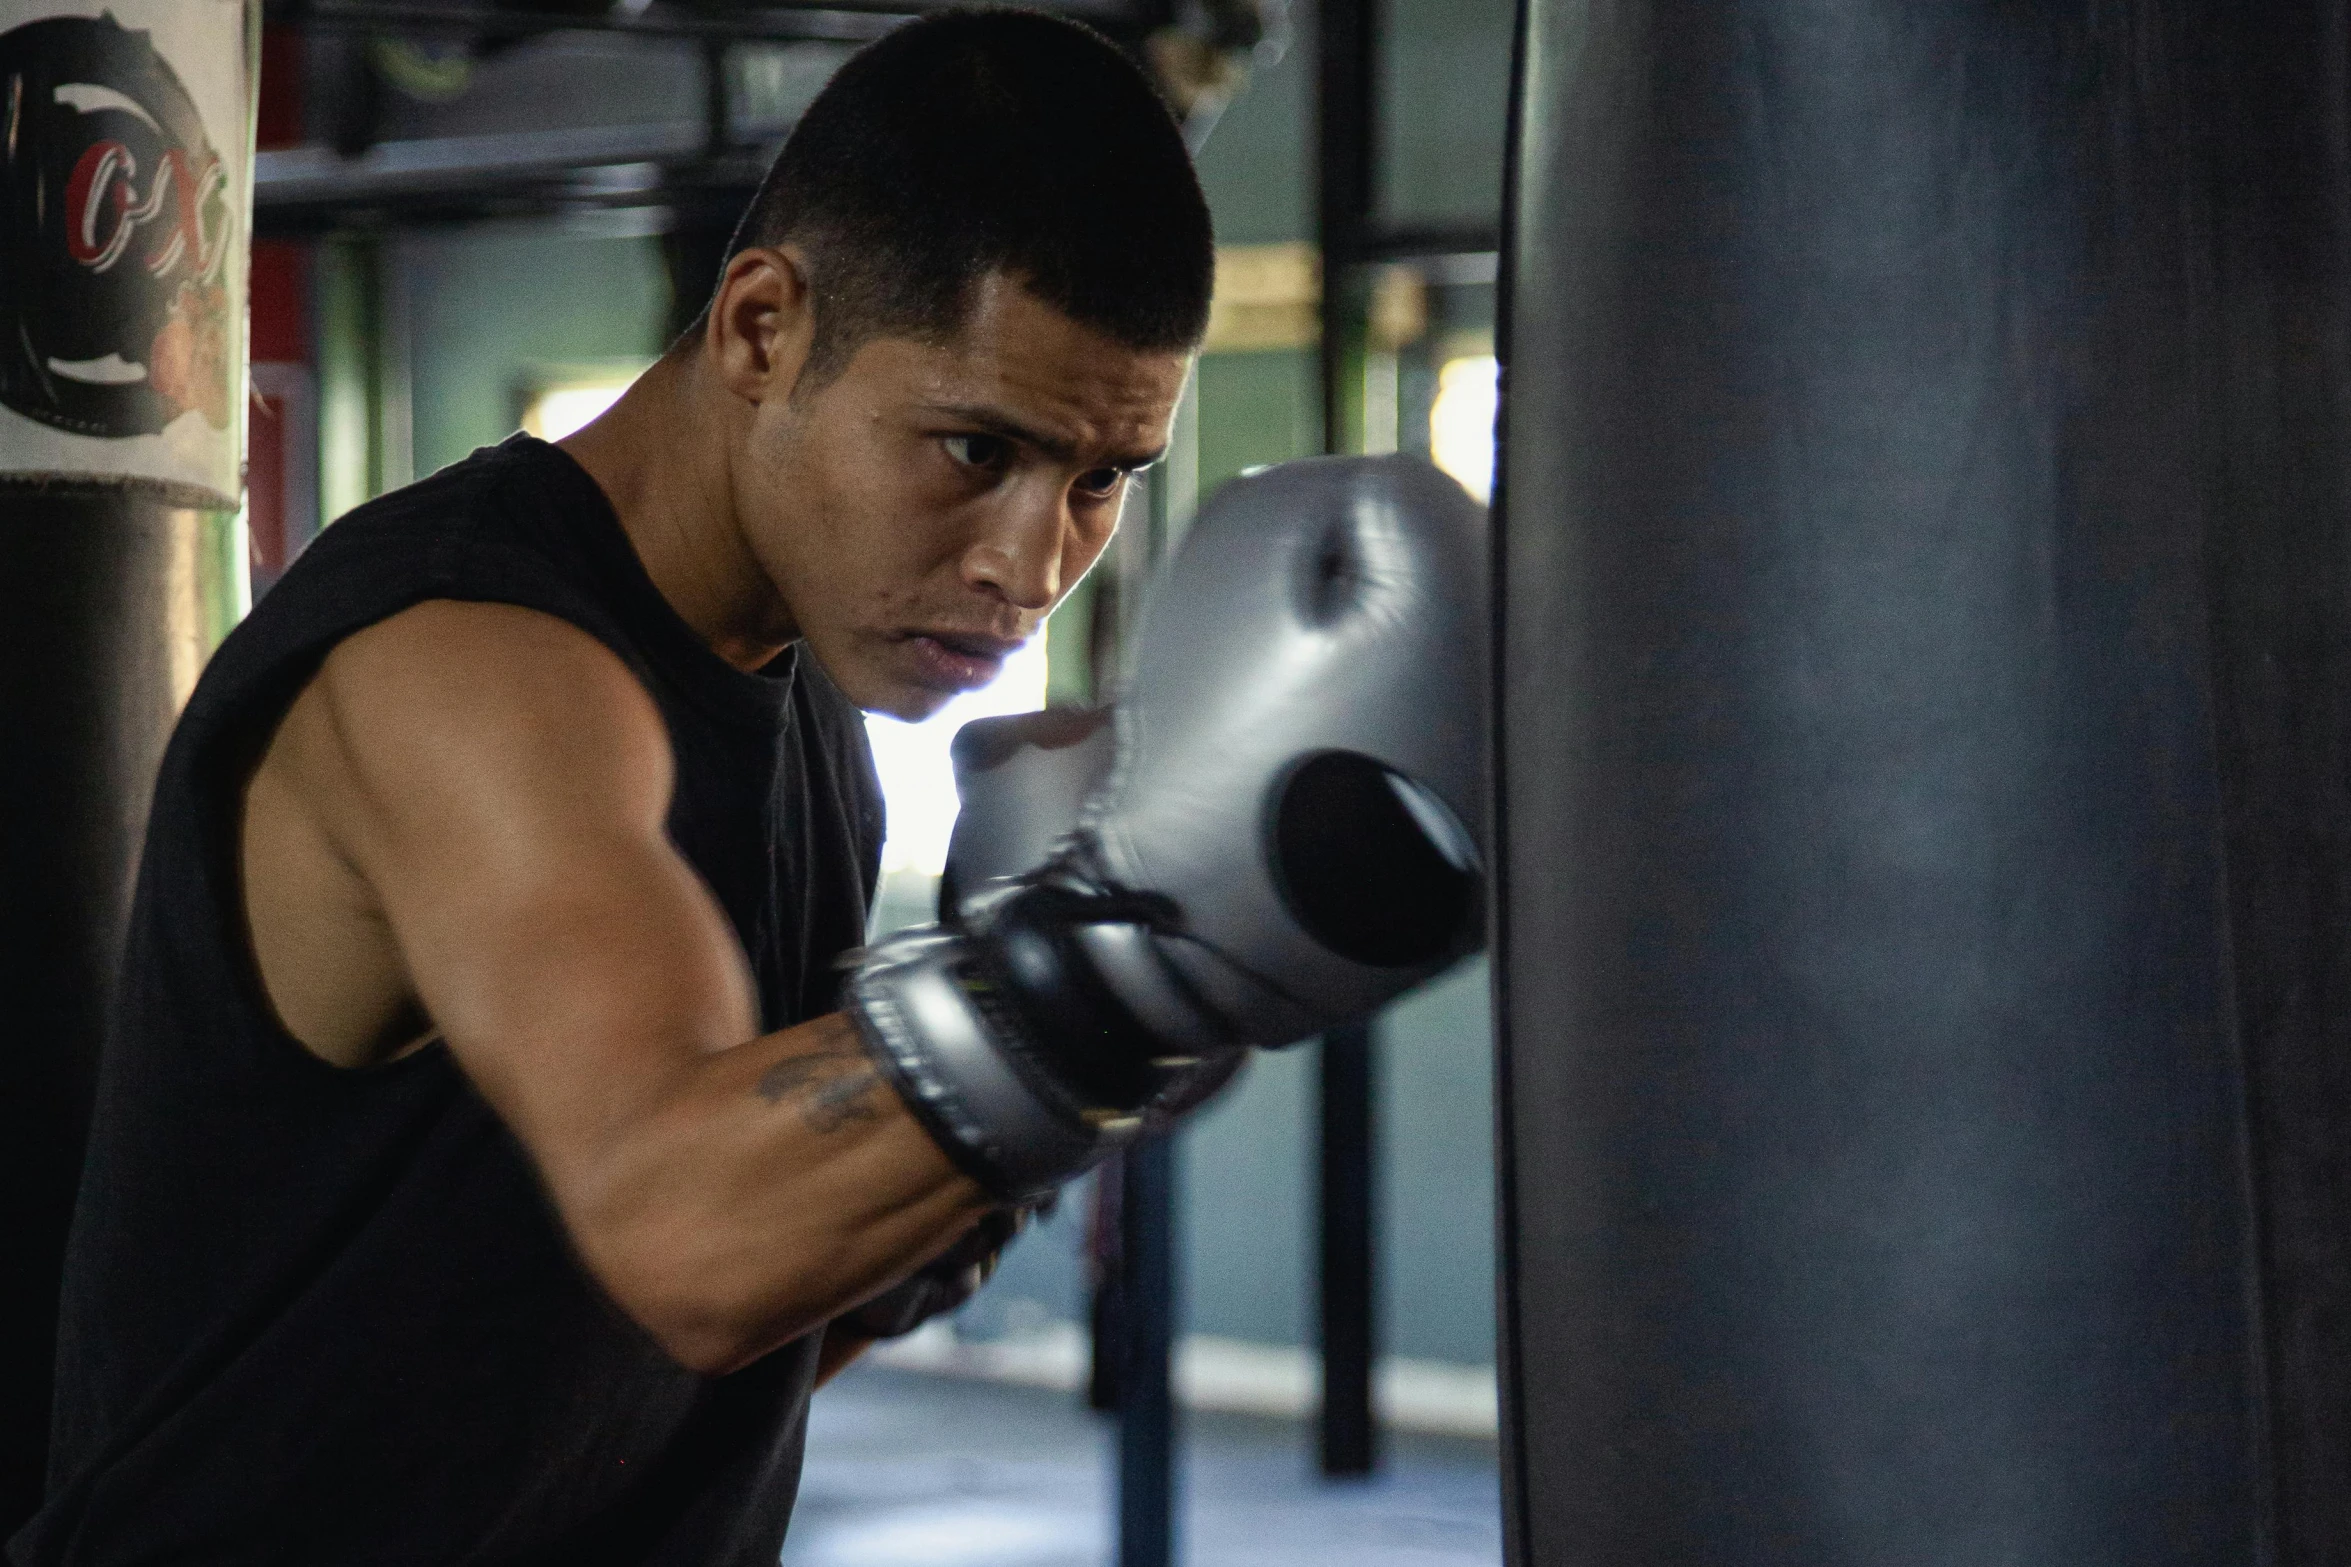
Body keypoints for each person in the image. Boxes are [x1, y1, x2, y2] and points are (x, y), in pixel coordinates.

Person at [11, 13, 1212, 1564]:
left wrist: (956, 1172)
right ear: (762, 328)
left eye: (1100, 479)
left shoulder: (810, 714)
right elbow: (692, 1240)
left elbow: (717, 1352)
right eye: (974, 448)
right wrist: (1098, 982)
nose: (1027, 563)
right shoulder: (465, 663)